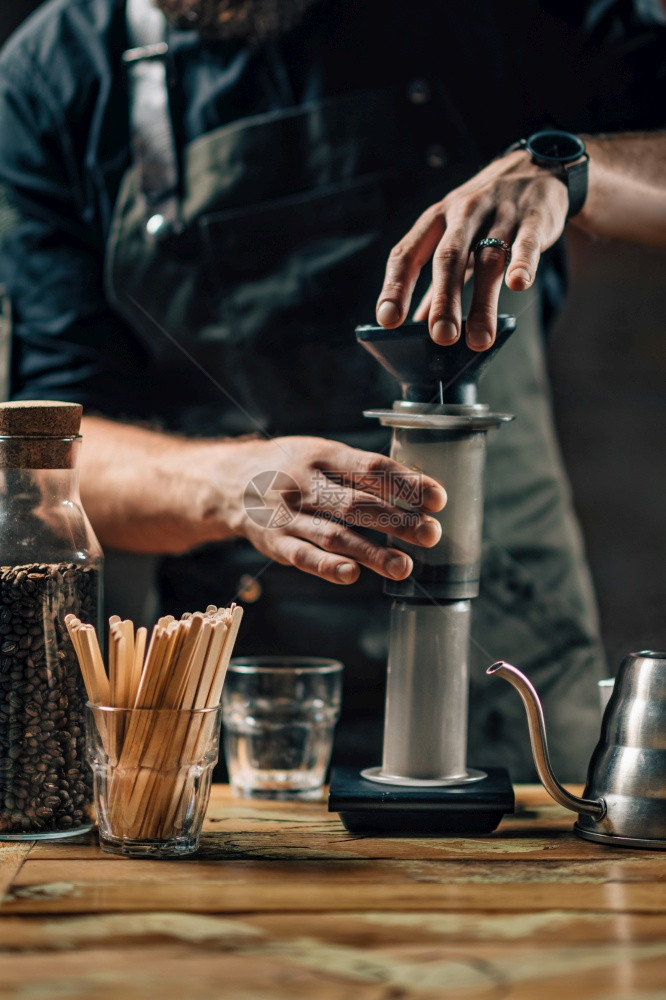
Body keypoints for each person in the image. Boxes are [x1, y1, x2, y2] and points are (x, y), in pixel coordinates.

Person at [0, 0, 664, 780]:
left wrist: (569, 170)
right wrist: (226, 484)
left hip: (517, 701)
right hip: (242, 719)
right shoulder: (56, 74)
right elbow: (52, 462)